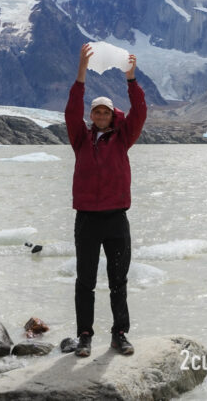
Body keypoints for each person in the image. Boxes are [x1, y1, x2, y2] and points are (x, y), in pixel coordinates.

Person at [65, 43, 147, 358]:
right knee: (85, 280)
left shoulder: (123, 138)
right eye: (96, 111)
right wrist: (81, 73)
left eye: (106, 112)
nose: (100, 116)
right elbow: (71, 110)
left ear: (113, 116)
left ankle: (120, 335)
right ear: (92, 116)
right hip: (87, 219)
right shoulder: (80, 139)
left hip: (116, 219)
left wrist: (131, 80)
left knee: (118, 281)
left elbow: (140, 112)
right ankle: (84, 336)